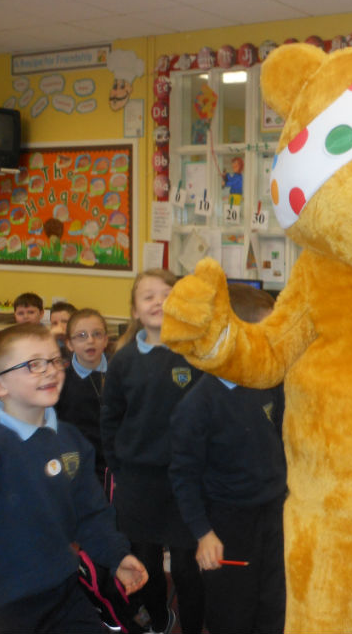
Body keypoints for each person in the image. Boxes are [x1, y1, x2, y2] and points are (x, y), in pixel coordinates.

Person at [0, 322, 148, 633]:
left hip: (62, 591)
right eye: (33, 364)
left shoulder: (70, 440)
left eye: (55, 360)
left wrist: (116, 555)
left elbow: (90, 512)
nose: (50, 371)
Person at [169, 284, 286, 634]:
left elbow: (280, 442)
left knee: (273, 604)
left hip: (273, 515)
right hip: (226, 524)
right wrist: (203, 533)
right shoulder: (196, 406)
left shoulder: (268, 382)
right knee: (233, 612)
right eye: (263, 334)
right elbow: (183, 476)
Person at [100, 269, 204, 634]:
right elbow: (110, 419)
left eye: (167, 293)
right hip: (138, 485)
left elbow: (209, 416)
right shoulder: (123, 360)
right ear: (134, 310)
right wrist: (121, 468)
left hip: (186, 485)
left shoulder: (197, 354)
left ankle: (192, 627)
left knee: (190, 569)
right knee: (145, 564)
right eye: (149, 296)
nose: (159, 301)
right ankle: (160, 620)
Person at [55, 308, 109, 484]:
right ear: (69, 344)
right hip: (79, 463)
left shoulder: (121, 372)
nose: (90, 341)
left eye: (97, 334)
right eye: (82, 335)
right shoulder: (61, 382)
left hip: (115, 461)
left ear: (106, 340)